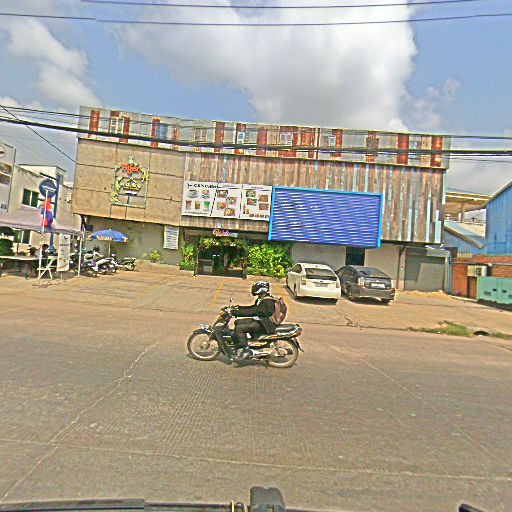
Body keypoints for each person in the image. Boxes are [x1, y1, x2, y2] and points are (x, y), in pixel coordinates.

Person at [231, 281, 276, 360]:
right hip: (260, 321)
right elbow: (253, 308)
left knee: (239, 328)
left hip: (265, 325)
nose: (254, 289)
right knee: (237, 322)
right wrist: (238, 308)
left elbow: (253, 311)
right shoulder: (262, 299)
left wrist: (237, 313)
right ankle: (238, 345)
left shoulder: (267, 301)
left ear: (262, 289)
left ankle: (246, 350)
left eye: (256, 288)